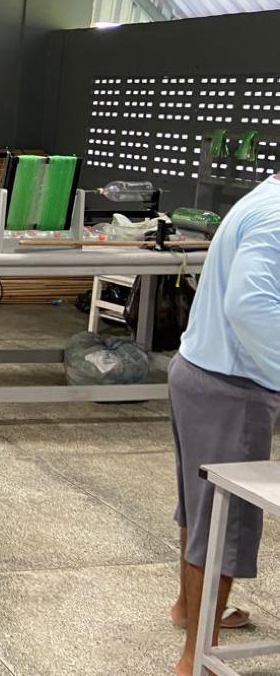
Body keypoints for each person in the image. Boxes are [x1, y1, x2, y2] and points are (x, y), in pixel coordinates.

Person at [166, 172, 280, 676]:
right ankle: (199, 658)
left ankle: (189, 611)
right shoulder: (277, 217)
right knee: (223, 525)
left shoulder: (265, 197)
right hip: (232, 388)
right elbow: (250, 304)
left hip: (199, 371)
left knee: (201, 512)